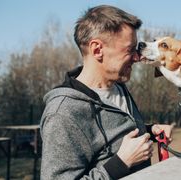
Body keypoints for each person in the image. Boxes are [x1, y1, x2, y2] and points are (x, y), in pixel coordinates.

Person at [40, 5, 173, 180]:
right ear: (97, 50)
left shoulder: (118, 86)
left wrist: (148, 130)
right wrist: (120, 163)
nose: (137, 57)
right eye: (129, 50)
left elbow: (111, 140)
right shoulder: (63, 114)